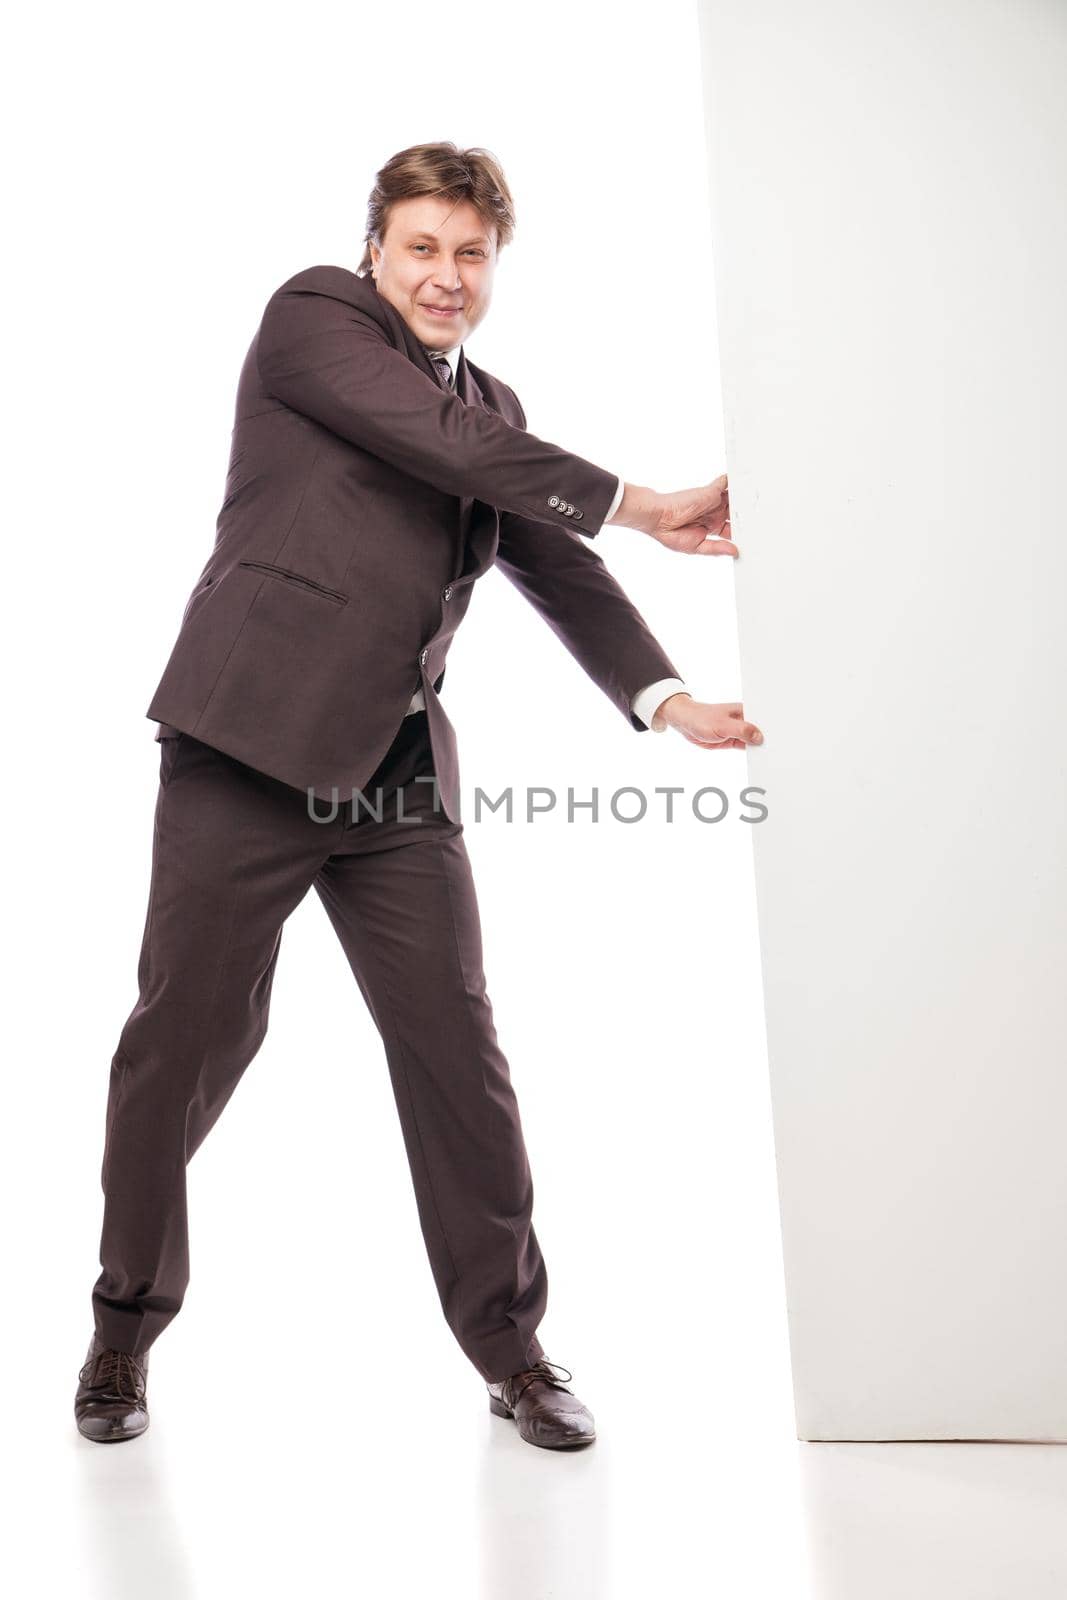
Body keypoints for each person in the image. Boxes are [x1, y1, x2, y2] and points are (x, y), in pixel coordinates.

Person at [74, 141, 763, 1451]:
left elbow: (552, 560)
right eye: (424, 249)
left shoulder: (489, 400)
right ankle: (122, 1328)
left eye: (472, 254)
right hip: (244, 747)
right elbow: (439, 440)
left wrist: (663, 701)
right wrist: (641, 498)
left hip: (392, 780)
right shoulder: (313, 323)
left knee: (459, 1057)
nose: (447, 277)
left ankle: (515, 1353)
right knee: (186, 1048)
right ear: (374, 254)